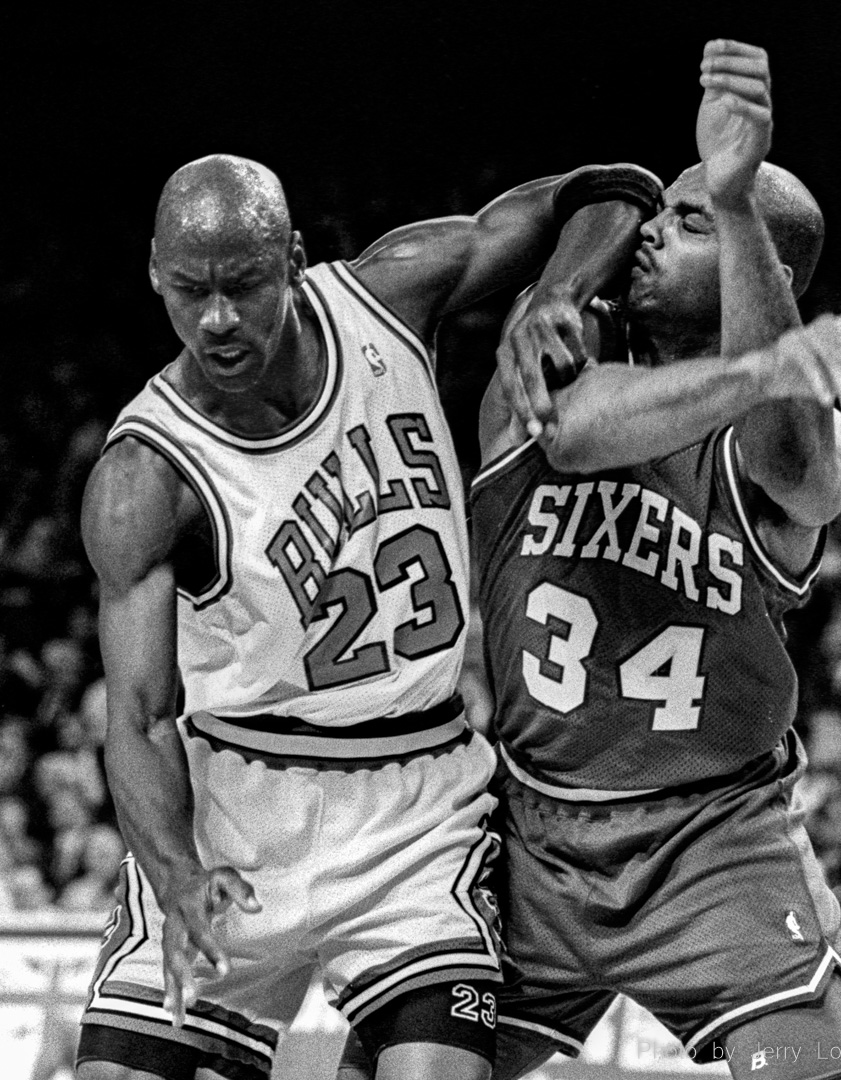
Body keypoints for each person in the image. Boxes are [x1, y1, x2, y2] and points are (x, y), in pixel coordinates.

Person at [74, 152, 665, 1080]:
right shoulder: (145, 477)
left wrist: (559, 292)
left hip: (416, 804)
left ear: (296, 259)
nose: (218, 318)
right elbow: (140, 718)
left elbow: (609, 191)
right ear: (155, 273)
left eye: (245, 285)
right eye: (191, 291)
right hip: (235, 808)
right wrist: (180, 881)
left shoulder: (388, 298)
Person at [469, 39, 841, 1080]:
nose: (652, 237)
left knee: (820, 1074)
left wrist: (740, 199)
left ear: (764, 274)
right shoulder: (550, 360)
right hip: (534, 836)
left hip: (715, 847)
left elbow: (797, 461)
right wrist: (753, 347)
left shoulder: (799, 437)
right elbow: (571, 434)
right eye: (660, 216)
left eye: (688, 222)